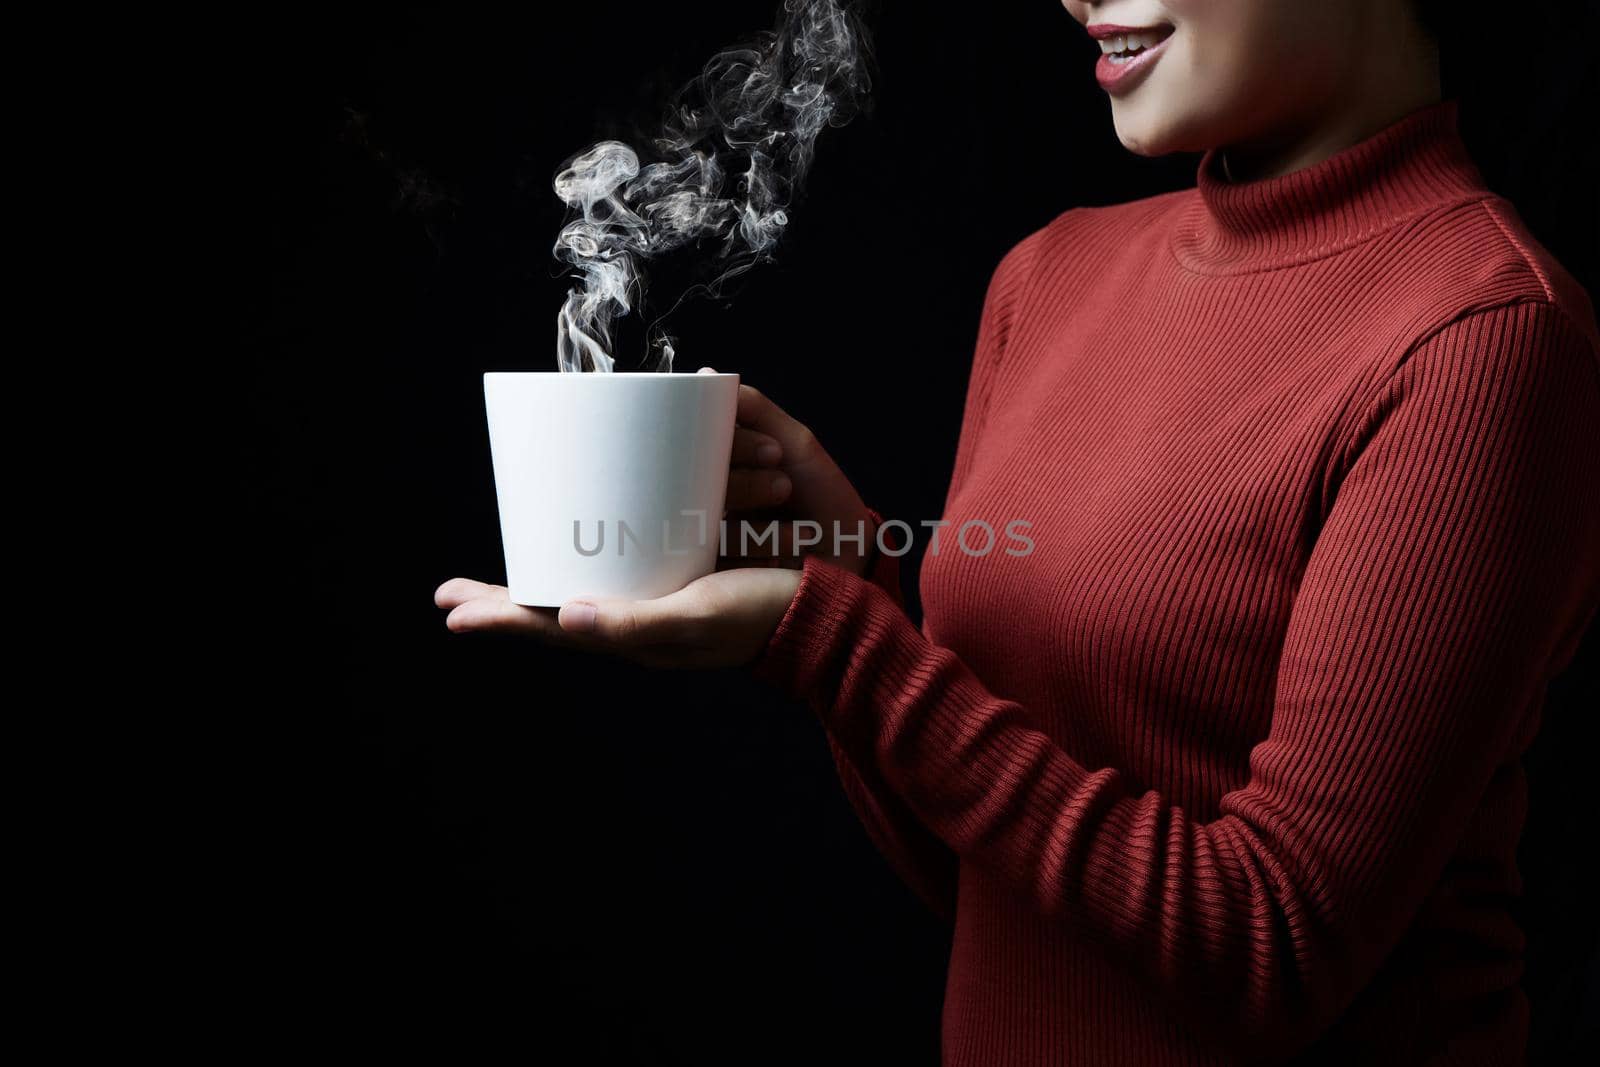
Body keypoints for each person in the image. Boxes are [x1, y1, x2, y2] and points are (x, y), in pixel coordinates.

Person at [435, 1, 1599, 1061]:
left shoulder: (1479, 333)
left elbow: (1270, 953)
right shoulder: (1048, 275)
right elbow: (998, 880)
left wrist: (833, 639)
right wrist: (849, 571)